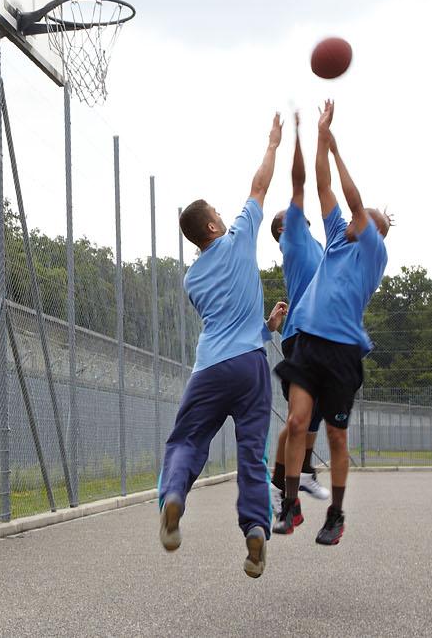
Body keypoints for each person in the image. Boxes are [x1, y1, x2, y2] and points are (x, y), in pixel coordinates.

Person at [159, 114, 286, 579]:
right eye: (215, 211)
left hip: (210, 368)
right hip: (250, 368)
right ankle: (255, 529)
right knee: (251, 452)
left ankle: (174, 496)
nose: (221, 213)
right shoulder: (237, 239)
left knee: (187, 440)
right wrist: (272, 143)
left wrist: (265, 325)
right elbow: (259, 186)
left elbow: (224, 320)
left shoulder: (192, 279)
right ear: (213, 225)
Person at [273, 100, 390, 546]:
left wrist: (337, 149)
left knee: (337, 435)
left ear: (376, 232)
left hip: (342, 352)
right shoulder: (338, 235)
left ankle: (336, 515)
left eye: (373, 222)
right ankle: (290, 506)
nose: (362, 220)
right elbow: (321, 184)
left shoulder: (372, 253)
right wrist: (321, 137)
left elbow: (354, 200)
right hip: (308, 344)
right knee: (298, 423)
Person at [268, 111, 330, 526]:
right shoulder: (292, 237)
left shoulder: (316, 244)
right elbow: (299, 183)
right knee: (297, 417)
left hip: (323, 338)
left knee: (312, 415)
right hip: (299, 339)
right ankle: (281, 486)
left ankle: (300, 472)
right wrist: (297, 139)